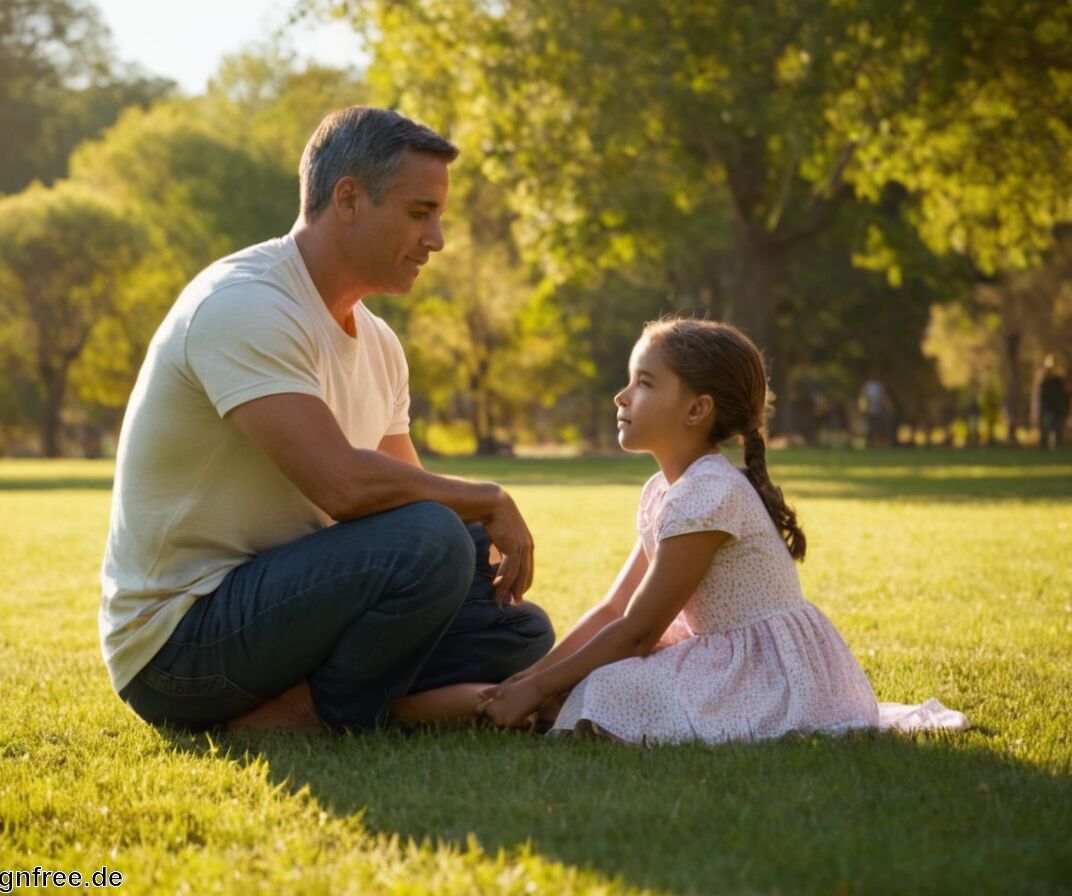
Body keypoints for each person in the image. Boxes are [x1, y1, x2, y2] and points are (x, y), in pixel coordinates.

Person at [101, 106, 553, 734]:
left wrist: (474, 524)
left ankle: (356, 699)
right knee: (434, 536)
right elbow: (342, 487)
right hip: (181, 645)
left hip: (288, 612)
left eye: (438, 217)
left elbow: (403, 492)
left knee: (517, 629)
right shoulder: (245, 304)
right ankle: (316, 714)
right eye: (420, 214)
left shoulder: (380, 344)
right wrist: (488, 496)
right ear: (348, 199)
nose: (437, 240)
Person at [480, 318, 967, 744]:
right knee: (593, 684)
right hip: (720, 658)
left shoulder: (709, 492)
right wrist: (529, 678)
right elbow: (614, 609)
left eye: (644, 383)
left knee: (607, 688)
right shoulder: (664, 491)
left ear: (697, 410)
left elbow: (639, 631)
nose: (621, 395)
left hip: (768, 674)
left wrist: (538, 690)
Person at [1034, 354, 1069, 450]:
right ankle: (1045, 447)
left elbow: (1065, 394)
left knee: (1058, 430)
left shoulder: (1061, 379)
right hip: (1048, 408)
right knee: (1046, 428)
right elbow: (1039, 395)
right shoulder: (1043, 379)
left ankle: (1057, 447)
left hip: (1058, 408)